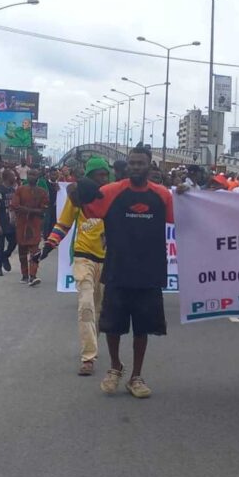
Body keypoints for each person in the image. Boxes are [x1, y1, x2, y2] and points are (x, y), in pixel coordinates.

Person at [67, 145, 173, 398]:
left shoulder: (162, 195)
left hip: (149, 271)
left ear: (150, 165)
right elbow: (86, 208)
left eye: (141, 163)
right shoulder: (110, 192)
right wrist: (75, 193)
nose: (136, 167)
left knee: (142, 328)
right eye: (132, 163)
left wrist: (188, 194)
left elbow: (183, 217)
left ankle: (136, 376)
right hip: (117, 268)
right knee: (112, 326)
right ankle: (115, 367)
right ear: (127, 165)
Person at [41, 157, 110, 376]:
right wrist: (49, 245)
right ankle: (88, 357)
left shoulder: (113, 196)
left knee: (99, 310)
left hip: (108, 260)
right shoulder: (77, 197)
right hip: (83, 256)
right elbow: (63, 224)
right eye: (99, 174)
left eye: (106, 174)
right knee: (86, 305)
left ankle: (91, 344)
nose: (104, 179)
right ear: (90, 177)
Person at [11, 168, 49, 286]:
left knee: (35, 251)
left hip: (35, 225)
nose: (32, 177)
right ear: (27, 176)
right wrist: (32, 210)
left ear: (38, 177)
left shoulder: (42, 192)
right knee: (22, 251)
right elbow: (15, 206)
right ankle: (24, 275)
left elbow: (44, 210)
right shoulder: (20, 190)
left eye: (34, 175)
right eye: (30, 174)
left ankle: (33, 275)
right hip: (21, 224)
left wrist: (28, 210)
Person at [0, 169, 18, 276]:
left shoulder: (13, 190)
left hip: (11, 224)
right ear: (7, 177)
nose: (15, 178)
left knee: (14, 242)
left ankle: (5, 256)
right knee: (0, 246)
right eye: (13, 176)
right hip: (1, 223)